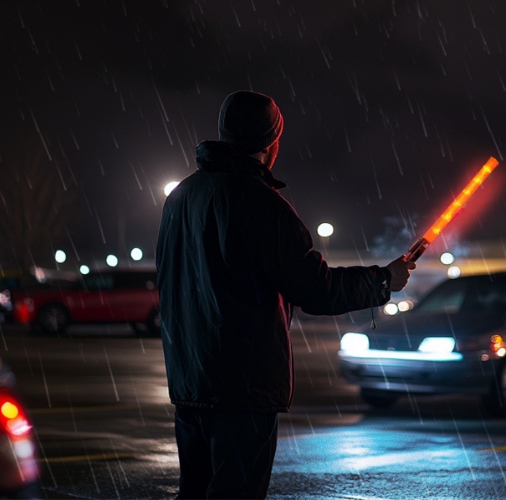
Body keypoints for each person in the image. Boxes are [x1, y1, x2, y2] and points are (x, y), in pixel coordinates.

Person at [155, 90, 415, 499]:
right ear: (271, 143)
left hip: (190, 380)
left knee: (195, 492)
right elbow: (316, 288)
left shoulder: (181, 197)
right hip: (243, 386)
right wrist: (383, 280)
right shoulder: (261, 203)